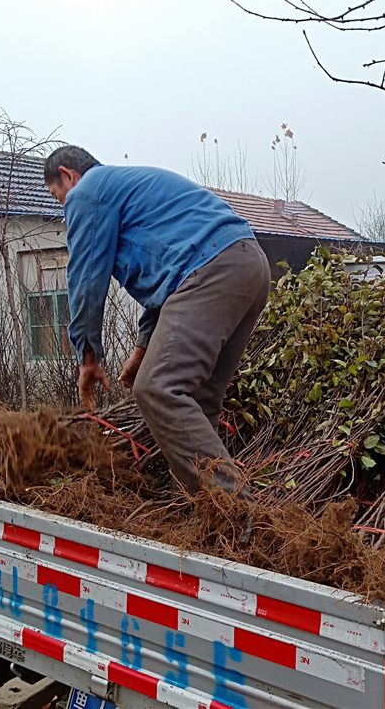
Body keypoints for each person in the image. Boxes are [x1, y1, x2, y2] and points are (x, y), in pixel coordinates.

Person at [44, 146, 270, 504]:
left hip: (211, 268)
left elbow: (86, 278)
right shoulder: (129, 189)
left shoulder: (88, 192)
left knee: (156, 388)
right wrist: (142, 348)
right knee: (198, 401)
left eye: (58, 197)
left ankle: (240, 517)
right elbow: (169, 278)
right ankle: (209, 513)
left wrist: (87, 356)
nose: (64, 207)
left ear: (67, 175)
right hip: (248, 264)